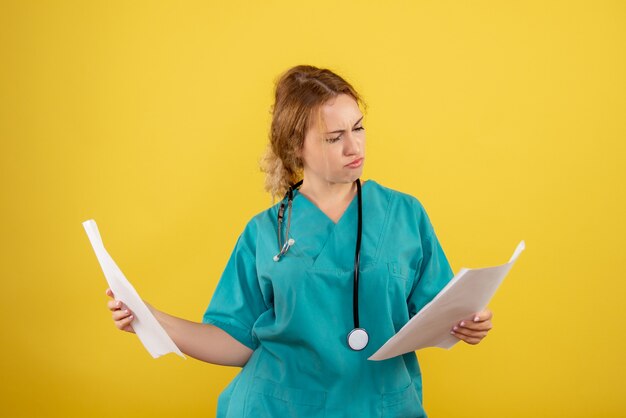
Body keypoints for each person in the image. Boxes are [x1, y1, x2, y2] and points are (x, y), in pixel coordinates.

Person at [106, 65, 494, 417]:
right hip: (276, 408)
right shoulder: (264, 232)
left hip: (379, 406)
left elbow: (439, 315)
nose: (353, 147)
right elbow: (235, 340)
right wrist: (152, 317)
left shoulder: (405, 216)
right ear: (296, 146)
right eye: (334, 137)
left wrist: (466, 326)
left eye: (358, 128)